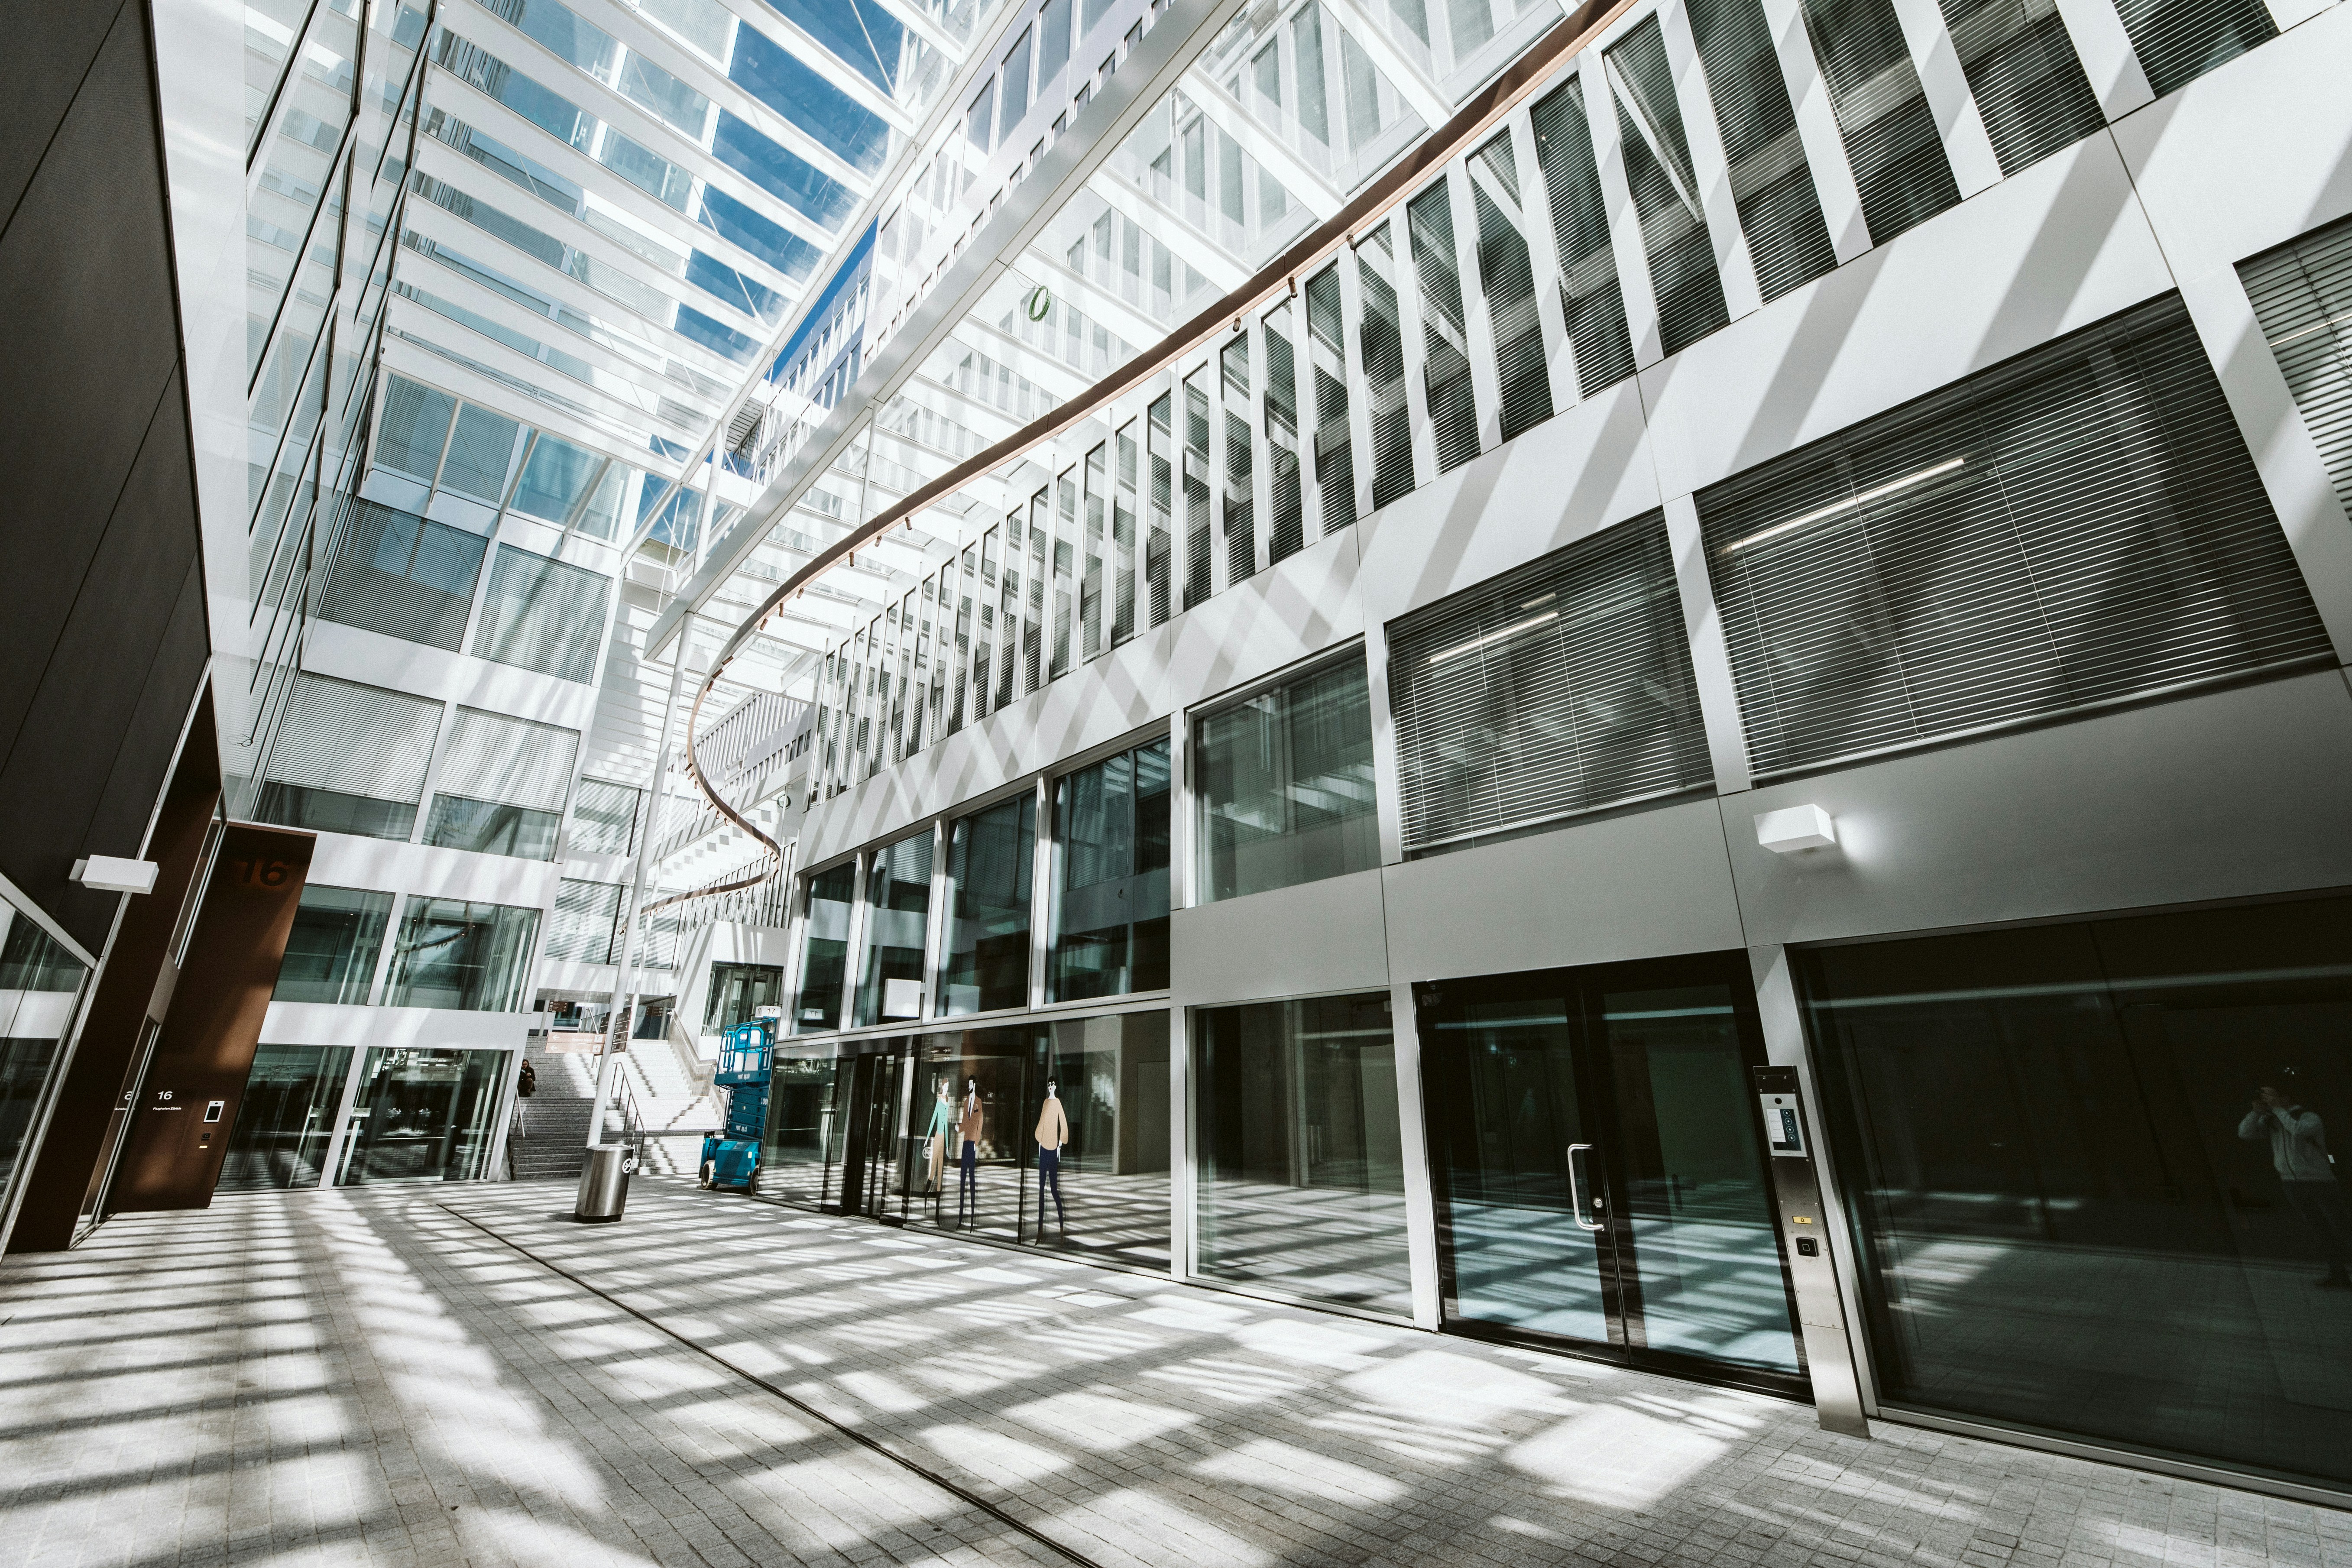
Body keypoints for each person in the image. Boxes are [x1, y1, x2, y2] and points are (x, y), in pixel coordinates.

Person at [2239, 1081, 2350, 1287]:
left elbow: (2298, 1131)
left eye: (2271, 1096)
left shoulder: (2308, 1117)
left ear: (2286, 1098)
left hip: (2320, 1182)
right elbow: (2244, 1133)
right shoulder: (2272, 1120)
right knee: (2321, 1230)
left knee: (2342, 1227)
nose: (2268, 1101)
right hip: (2291, 1183)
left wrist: (2279, 1111)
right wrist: (2256, 1113)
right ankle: (2339, 1275)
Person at [1035, 1079, 1069, 1238]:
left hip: (1053, 1150)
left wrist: (1060, 1146)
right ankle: (1040, 1229)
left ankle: (1062, 1228)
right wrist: (1040, 1142)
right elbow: (1042, 1122)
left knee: (1054, 1190)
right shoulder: (1045, 1102)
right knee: (1041, 1190)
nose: (1050, 1087)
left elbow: (1063, 1124)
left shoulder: (1057, 1103)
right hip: (1044, 1150)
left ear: (1056, 1086)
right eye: (1049, 1084)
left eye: (1053, 1084)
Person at [956, 1078, 982, 1228]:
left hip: (972, 1144)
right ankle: (961, 1217)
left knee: (971, 1179)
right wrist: (959, 1128)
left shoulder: (978, 1102)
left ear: (975, 1085)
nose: (969, 1086)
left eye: (971, 1084)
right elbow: (966, 1122)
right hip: (966, 1143)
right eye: (969, 1084)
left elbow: (980, 1122)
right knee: (962, 1180)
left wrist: (976, 1142)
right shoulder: (967, 1102)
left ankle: (972, 1217)